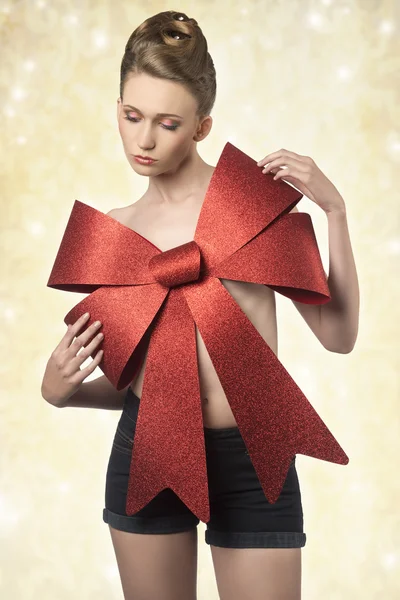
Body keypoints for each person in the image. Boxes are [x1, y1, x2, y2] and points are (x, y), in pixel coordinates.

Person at [41, 10, 359, 600]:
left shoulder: (249, 204)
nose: (143, 139)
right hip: (149, 449)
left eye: (167, 123)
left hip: (254, 450)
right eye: (131, 116)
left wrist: (335, 213)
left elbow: (338, 336)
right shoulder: (114, 234)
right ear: (116, 108)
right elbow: (133, 381)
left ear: (202, 126)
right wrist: (59, 392)